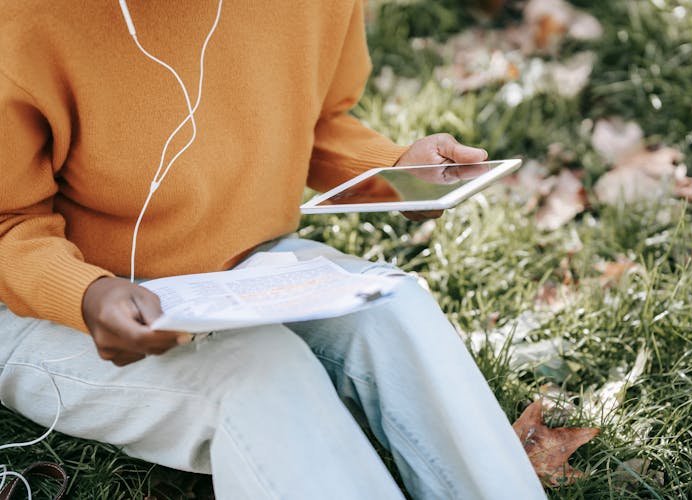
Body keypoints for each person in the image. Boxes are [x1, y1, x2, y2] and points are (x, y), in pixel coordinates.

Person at [0, 1, 545, 498]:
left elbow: (315, 120)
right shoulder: (27, 20)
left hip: (236, 270)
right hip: (47, 307)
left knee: (394, 305)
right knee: (262, 373)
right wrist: (87, 295)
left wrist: (395, 172)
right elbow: (7, 222)